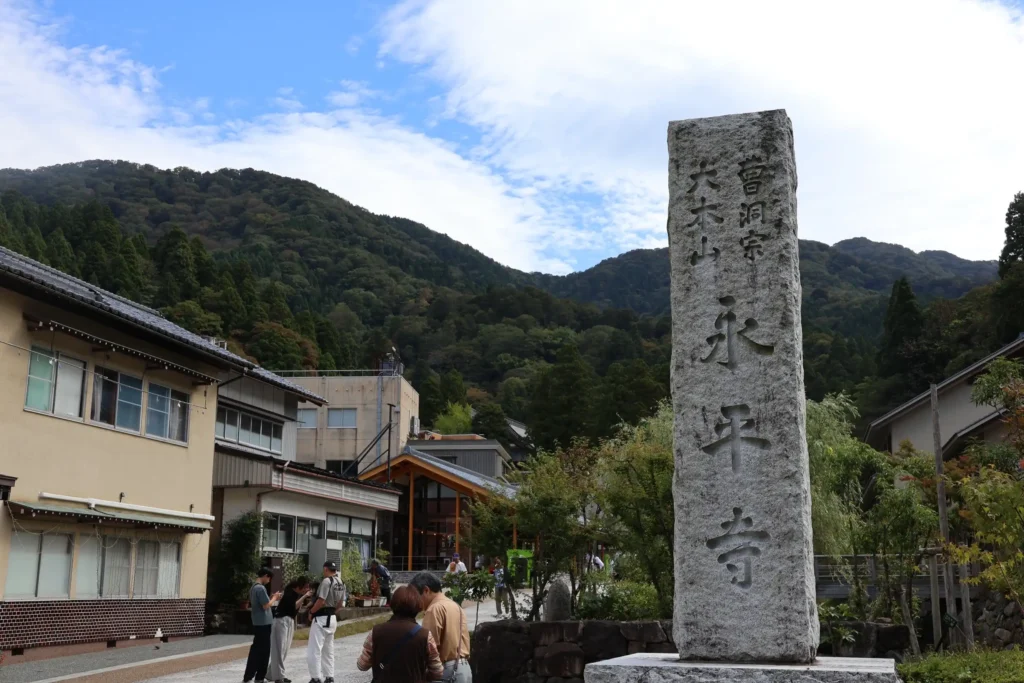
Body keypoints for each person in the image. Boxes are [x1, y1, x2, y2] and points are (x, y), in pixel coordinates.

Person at [355, 585, 444, 682]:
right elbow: (438, 672)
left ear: (393, 605)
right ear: (418, 606)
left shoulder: (376, 632)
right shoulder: (425, 635)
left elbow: (362, 665)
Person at [409, 572, 471, 683]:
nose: (416, 601)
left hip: (445, 671)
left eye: (416, 596)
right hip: (463, 668)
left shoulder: (434, 609)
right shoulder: (454, 605)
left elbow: (429, 647)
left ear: (426, 590)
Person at [306, 561, 346, 683]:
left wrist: (311, 612)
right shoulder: (341, 583)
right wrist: (333, 611)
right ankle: (329, 677)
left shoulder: (326, 581)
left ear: (325, 569)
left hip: (322, 618)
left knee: (315, 649)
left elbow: (321, 601)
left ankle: (316, 677)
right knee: (328, 650)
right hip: (332, 617)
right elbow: (341, 604)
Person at [270, 576, 312, 683]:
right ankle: (279, 677)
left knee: (285, 649)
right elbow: (292, 606)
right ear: (299, 586)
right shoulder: (289, 592)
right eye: (305, 587)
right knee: (280, 649)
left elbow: (295, 610)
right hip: (281, 620)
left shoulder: (296, 594)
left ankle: (272, 674)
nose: (306, 590)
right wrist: (303, 597)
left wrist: (302, 598)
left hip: (289, 620)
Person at [244, 568, 283, 683]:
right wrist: (275, 598)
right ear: (265, 576)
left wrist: (270, 598)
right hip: (264, 623)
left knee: (259, 649)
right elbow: (266, 606)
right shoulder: (260, 588)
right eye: (269, 578)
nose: (269, 581)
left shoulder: (253, 587)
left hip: (258, 622)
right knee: (263, 651)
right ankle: (257, 677)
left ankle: (254, 676)